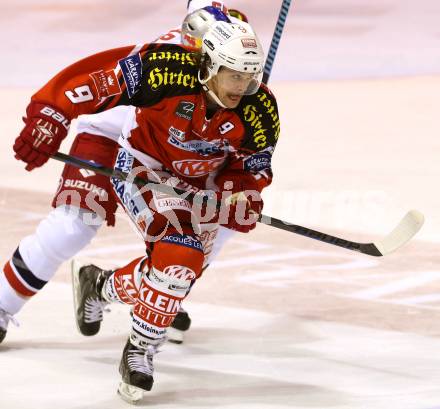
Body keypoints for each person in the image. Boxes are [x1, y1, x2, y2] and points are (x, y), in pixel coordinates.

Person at [8, 17, 280, 402]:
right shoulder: (165, 66)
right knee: (84, 227)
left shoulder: (258, 105)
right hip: (142, 167)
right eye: (234, 75)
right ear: (210, 62)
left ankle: (103, 288)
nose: (243, 87)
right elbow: (93, 83)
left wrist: (242, 190)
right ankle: (139, 350)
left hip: (197, 179)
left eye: (249, 77)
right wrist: (52, 113)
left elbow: (254, 162)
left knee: (181, 268)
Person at [0, 1, 245, 345]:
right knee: (74, 225)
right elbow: (93, 78)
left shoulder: (235, 72)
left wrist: (235, 187)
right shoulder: (165, 57)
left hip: (168, 156)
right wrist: (52, 112)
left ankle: (158, 293)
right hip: (109, 138)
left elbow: (241, 149)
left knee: (211, 226)